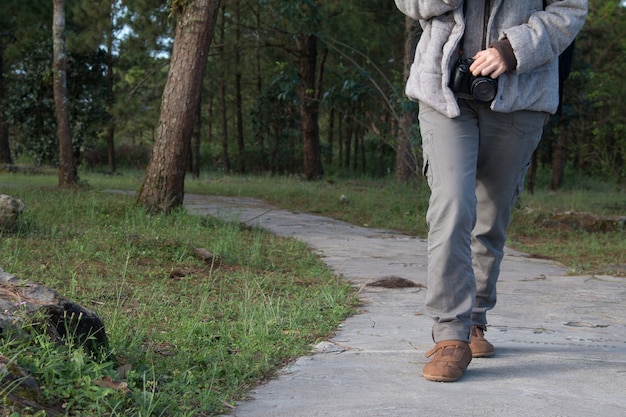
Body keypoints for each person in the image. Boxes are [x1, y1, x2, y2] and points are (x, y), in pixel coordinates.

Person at [393, 0, 588, 382]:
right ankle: (451, 333)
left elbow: (570, 10)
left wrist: (512, 50)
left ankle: (474, 319)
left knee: (492, 214)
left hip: (521, 93)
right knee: (452, 203)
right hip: (444, 89)